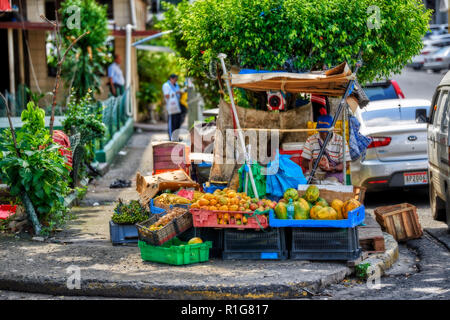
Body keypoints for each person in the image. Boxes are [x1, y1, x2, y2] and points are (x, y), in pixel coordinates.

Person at [301, 115, 351, 184]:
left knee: (330, 183)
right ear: (318, 129)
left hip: (334, 175)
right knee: (303, 181)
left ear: (332, 129)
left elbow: (347, 164)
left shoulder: (341, 140)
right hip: (315, 173)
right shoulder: (311, 140)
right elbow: (304, 162)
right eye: (321, 131)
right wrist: (316, 163)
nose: (324, 134)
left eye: (326, 131)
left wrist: (334, 168)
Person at [162, 74, 182, 141]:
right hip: (171, 107)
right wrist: (175, 92)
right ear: (171, 78)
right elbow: (167, 95)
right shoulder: (166, 85)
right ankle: (171, 138)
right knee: (171, 123)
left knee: (177, 123)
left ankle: (176, 137)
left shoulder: (176, 85)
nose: (175, 81)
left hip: (177, 107)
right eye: (175, 79)